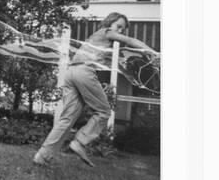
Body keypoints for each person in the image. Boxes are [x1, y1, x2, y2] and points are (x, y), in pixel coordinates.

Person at [33, 12, 158, 167]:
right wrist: (152, 53)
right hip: (84, 72)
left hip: (71, 72)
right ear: (110, 22)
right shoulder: (107, 32)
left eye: (122, 29)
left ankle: (42, 157)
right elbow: (130, 40)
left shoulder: (96, 38)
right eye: (119, 26)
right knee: (104, 111)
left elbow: (110, 61)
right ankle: (79, 142)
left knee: (66, 119)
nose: (120, 31)